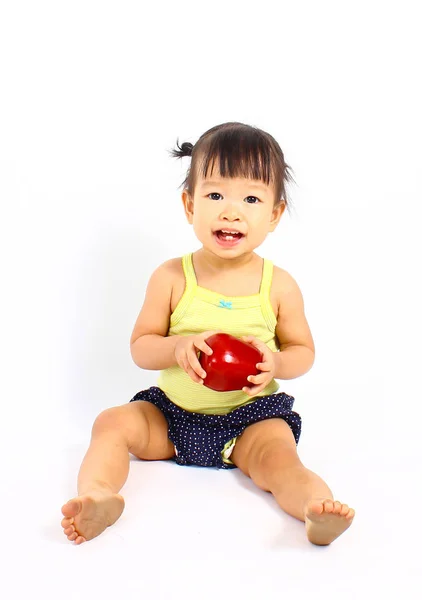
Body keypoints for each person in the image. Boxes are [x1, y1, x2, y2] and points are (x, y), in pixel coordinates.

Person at [61, 121, 355, 546]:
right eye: (215, 195)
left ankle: (315, 509)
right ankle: (99, 495)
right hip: (172, 415)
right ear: (188, 204)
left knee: (281, 461)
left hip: (249, 422)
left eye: (251, 199)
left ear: (274, 214)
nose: (231, 211)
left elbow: (303, 351)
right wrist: (177, 346)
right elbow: (141, 348)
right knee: (111, 423)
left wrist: (276, 362)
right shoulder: (170, 277)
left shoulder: (279, 286)